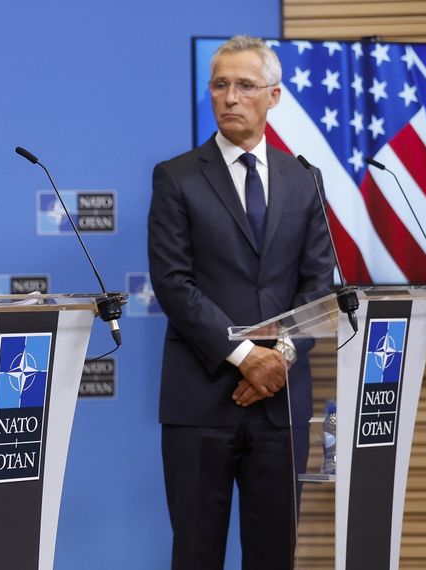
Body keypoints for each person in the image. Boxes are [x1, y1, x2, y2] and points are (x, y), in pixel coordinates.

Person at [148, 35, 334, 569]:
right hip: (200, 400)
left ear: (273, 96)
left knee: (275, 555)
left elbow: (318, 284)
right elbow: (173, 282)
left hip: (282, 402)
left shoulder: (305, 179)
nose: (229, 97)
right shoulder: (176, 177)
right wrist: (247, 357)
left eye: (245, 86)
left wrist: (282, 359)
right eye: (220, 85)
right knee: (197, 554)